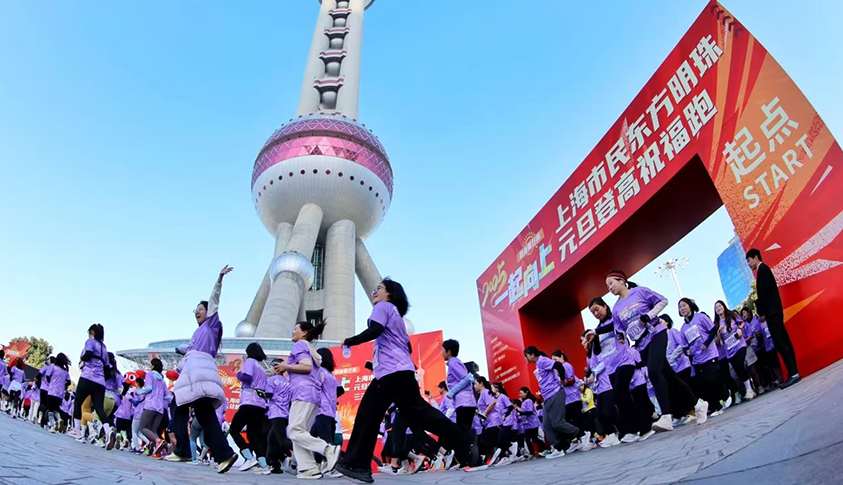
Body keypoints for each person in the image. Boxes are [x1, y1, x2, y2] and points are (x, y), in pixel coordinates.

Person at [337, 279, 472, 483]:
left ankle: (357, 464)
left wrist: (350, 341)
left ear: (390, 294)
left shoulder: (383, 307)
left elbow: (375, 330)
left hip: (391, 375)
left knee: (370, 415)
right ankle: (357, 465)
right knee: (415, 413)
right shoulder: (397, 317)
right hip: (397, 374)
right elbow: (405, 348)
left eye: (379, 289)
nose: (374, 292)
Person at [605, 270, 706, 433]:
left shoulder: (639, 292)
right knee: (670, 377)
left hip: (656, 333)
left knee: (653, 371)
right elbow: (619, 328)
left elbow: (663, 300)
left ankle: (666, 416)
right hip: (642, 344)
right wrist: (621, 336)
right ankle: (698, 404)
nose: (609, 288)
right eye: (607, 286)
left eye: (611, 283)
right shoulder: (616, 308)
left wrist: (649, 314)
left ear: (622, 280)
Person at [170, 265, 238, 473]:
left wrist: (219, 280)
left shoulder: (211, 324)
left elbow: (215, 300)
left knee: (177, 405)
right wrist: (180, 350)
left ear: (209, 312)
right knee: (205, 413)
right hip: (199, 372)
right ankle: (225, 455)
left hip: (198, 373)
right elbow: (189, 350)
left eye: (200, 309)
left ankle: (182, 450)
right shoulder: (199, 333)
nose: (197, 312)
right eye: (196, 310)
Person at [272, 321, 340, 480]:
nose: (292, 331)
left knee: (294, 431)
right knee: (300, 432)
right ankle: (308, 468)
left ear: (304, 333)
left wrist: (286, 367)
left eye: (295, 328)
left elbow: (306, 366)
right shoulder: (311, 349)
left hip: (302, 393)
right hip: (313, 395)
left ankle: (327, 449)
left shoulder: (300, 345)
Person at [746, 249, 800, 388]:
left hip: (772, 313)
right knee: (783, 342)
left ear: (755, 257)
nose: (749, 264)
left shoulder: (763, 270)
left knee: (781, 343)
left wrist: (761, 311)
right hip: (773, 312)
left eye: (749, 261)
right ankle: (793, 372)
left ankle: (794, 373)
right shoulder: (762, 271)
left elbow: (764, 295)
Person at [523, 346, 583, 459]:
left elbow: (558, 365)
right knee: (546, 425)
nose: (525, 359)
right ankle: (558, 448)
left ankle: (580, 434)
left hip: (555, 393)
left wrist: (563, 379)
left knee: (557, 423)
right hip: (547, 397)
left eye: (526, 356)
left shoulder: (542, 360)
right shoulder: (538, 364)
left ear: (531, 355)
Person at [71, 323, 116, 448]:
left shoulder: (90, 342)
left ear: (93, 332)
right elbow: (107, 366)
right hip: (100, 382)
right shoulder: (104, 347)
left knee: (78, 402)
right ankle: (108, 431)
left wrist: (83, 357)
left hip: (87, 377)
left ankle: (78, 431)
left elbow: (87, 354)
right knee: (99, 408)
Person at [678, 298, 722, 419]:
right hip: (697, 360)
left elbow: (713, 331)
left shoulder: (700, 317)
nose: (682, 308)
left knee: (712, 379)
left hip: (710, 354)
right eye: (680, 307)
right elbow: (684, 347)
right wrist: (687, 352)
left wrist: (706, 343)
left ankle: (723, 395)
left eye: (684, 305)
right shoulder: (683, 329)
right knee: (704, 384)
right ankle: (715, 406)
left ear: (690, 306)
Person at [230, 342, 270, 472]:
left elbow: (247, 377)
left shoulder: (249, 361)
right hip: (260, 404)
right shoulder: (262, 368)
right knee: (254, 435)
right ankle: (264, 465)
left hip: (249, 401)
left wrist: (238, 374)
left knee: (234, 430)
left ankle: (249, 457)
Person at [580, 330, 621, 447]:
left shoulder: (598, 349)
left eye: (583, 340)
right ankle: (611, 436)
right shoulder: (589, 356)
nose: (583, 344)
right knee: (600, 415)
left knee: (609, 412)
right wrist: (588, 378)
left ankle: (623, 431)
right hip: (599, 388)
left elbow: (604, 363)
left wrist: (594, 373)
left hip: (607, 385)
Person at [441, 339, 476, 468]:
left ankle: (470, 460)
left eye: (442, 350)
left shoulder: (453, 362)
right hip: (464, 402)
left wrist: (451, 393)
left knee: (462, 432)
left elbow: (467, 379)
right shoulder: (454, 362)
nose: (441, 353)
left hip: (464, 402)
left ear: (448, 352)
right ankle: (465, 461)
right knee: (463, 431)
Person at [714, 301, 756, 401]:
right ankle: (749, 388)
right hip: (729, 350)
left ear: (724, 306)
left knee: (740, 364)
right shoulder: (716, 323)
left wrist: (740, 329)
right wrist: (719, 333)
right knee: (738, 369)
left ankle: (749, 389)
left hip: (739, 344)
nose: (718, 308)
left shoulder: (732, 315)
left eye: (720, 306)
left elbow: (742, 322)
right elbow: (717, 341)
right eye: (716, 308)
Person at [265, 358, 293, 474]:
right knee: (272, 439)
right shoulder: (288, 382)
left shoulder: (271, 380)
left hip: (276, 413)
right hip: (286, 414)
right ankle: (274, 464)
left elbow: (268, 394)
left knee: (281, 440)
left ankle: (307, 452)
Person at [138, 357, 169, 456]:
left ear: (153, 366)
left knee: (142, 428)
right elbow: (167, 396)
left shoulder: (149, 374)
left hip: (150, 405)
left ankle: (159, 441)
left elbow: (149, 388)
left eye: (150, 364)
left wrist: (139, 392)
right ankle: (160, 451)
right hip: (160, 408)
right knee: (153, 431)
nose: (150, 366)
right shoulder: (162, 381)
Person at [46, 353, 71, 432]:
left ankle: (52, 426)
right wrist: (64, 386)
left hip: (52, 391)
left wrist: (50, 382)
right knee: (56, 409)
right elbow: (69, 382)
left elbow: (47, 375)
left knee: (50, 410)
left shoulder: (53, 366)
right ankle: (59, 419)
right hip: (60, 393)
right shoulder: (65, 371)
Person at [516, 388, 544, 455]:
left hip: (533, 423)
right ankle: (533, 452)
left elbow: (530, 411)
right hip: (527, 424)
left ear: (526, 393)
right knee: (528, 439)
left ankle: (541, 447)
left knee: (533, 438)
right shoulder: (524, 402)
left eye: (521, 393)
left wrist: (520, 413)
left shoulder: (528, 401)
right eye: (519, 393)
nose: (520, 395)